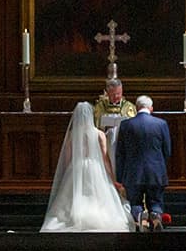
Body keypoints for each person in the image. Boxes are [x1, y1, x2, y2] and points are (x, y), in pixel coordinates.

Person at [41, 102, 134, 233]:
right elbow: (105, 159)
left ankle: (75, 217)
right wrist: (112, 178)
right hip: (95, 168)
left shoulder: (72, 135)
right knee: (98, 196)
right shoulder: (99, 134)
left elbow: (68, 158)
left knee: (72, 197)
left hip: (77, 167)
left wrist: (67, 175)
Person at [111, 95, 172, 233]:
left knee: (135, 201)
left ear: (136, 108)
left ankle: (139, 216)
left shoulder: (126, 125)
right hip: (155, 171)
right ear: (151, 108)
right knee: (156, 200)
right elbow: (167, 150)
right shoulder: (161, 124)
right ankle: (155, 215)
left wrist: (119, 177)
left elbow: (120, 153)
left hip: (133, 172)